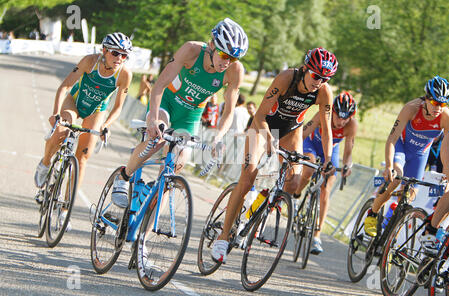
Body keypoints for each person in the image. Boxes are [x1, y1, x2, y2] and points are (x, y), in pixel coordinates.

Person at [211, 47, 339, 263]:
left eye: (325, 78)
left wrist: (327, 159)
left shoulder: (324, 92)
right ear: (307, 68)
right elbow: (260, 115)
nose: (319, 82)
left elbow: (327, 129)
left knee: (293, 182)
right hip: (264, 127)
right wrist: (270, 138)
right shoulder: (286, 78)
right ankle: (223, 237)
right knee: (248, 177)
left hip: (291, 131)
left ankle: (261, 207)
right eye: (316, 76)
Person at [111, 18, 248, 208]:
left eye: (233, 58)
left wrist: (219, 136)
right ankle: (123, 177)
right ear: (211, 45)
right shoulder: (191, 50)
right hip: (168, 102)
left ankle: (144, 230)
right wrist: (153, 119)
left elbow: (229, 111)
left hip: (190, 114)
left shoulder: (235, 70)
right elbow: (159, 85)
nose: (228, 62)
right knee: (157, 140)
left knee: (175, 169)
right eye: (225, 55)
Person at [34, 32, 133, 227]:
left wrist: (106, 126)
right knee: (60, 132)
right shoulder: (90, 62)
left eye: (124, 55)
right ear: (104, 50)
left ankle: (65, 209)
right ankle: (45, 164)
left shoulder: (124, 74)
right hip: (75, 102)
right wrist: (56, 113)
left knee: (83, 157)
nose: (119, 58)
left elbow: (118, 107)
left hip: (96, 110)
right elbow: (64, 87)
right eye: (115, 53)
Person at [364, 76, 449, 239]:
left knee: (410, 195)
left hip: (420, 155)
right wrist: (389, 166)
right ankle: (373, 213)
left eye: (443, 103)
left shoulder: (446, 116)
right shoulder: (411, 108)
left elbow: (447, 149)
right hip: (401, 148)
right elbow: (392, 138)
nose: (439, 108)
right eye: (435, 103)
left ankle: (389, 228)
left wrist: (447, 176)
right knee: (396, 178)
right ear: (426, 99)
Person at [293, 91, 358, 254]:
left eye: (346, 118)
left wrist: (347, 165)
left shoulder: (351, 126)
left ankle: (317, 235)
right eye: (339, 116)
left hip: (331, 151)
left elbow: (348, 151)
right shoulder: (324, 113)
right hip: (312, 145)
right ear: (333, 111)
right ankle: (297, 193)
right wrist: (295, 148)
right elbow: (305, 132)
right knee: (309, 169)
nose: (342, 121)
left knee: (326, 191)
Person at [419, 77, 449, 256]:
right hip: (442, 152)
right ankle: (431, 229)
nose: (438, 106)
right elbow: (446, 145)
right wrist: (446, 170)